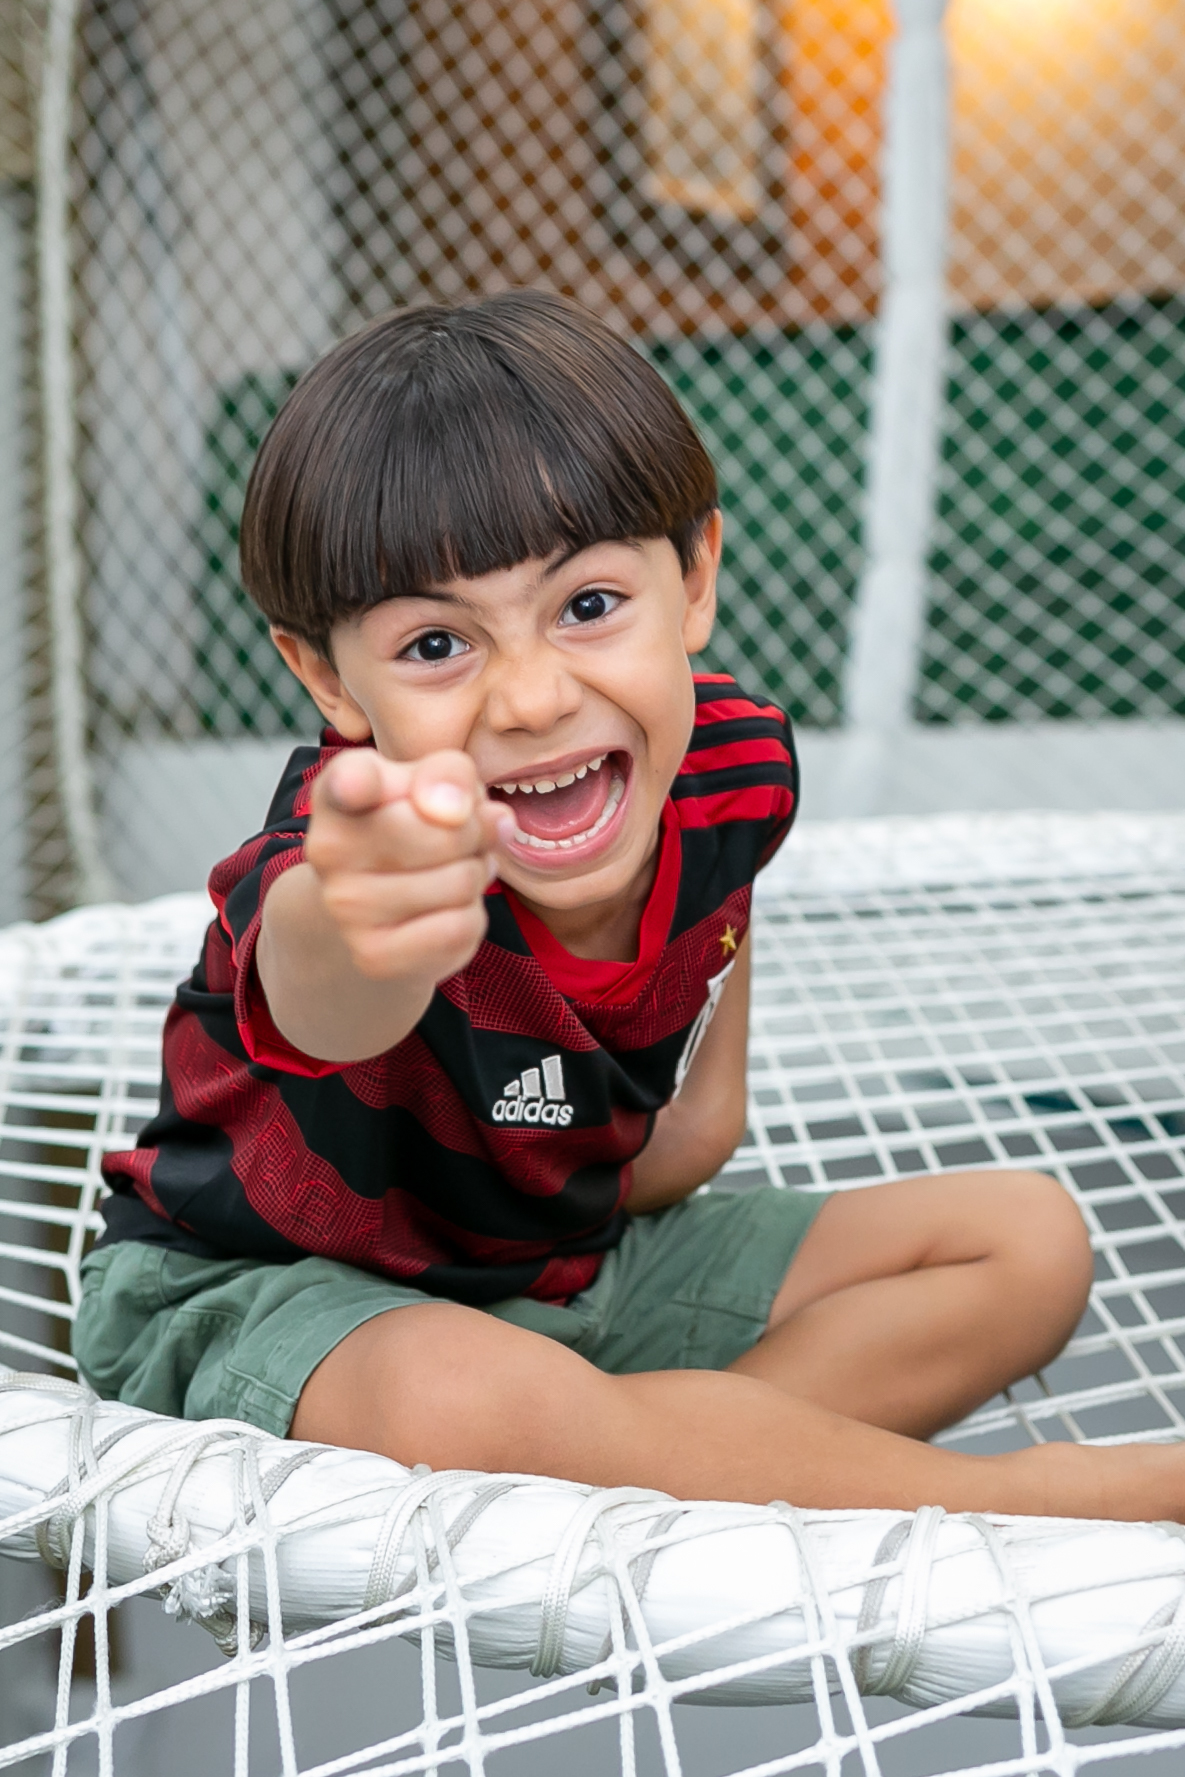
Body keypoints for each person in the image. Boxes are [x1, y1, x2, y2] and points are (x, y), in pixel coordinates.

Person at [76, 291, 1175, 1520]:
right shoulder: (354, 856)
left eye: (588, 605)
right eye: (438, 646)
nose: (535, 697)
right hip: (268, 1291)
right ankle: (1051, 1500)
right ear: (329, 678)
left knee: (1026, 1240)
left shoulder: (737, 772)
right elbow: (324, 985)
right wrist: (370, 914)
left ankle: (668, 1456)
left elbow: (696, 1129)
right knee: (464, 1396)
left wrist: (616, 1243)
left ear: (694, 581)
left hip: (555, 1280)